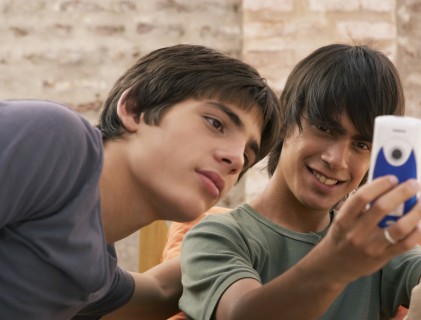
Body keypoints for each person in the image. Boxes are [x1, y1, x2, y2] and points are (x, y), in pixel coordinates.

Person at [179, 43, 421, 320]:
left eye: (361, 144)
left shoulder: (378, 247)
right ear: (286, 123)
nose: (338, 159)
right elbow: (242, 315)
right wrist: (341, 260)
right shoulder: (217, 236)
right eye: (325, 129)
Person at [0, 44, 281, 319]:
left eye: (246, 154)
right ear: (134, 109)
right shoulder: (55, 138)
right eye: (215, 123)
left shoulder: (95, 272)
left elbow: (160, 292)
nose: (236, 160)